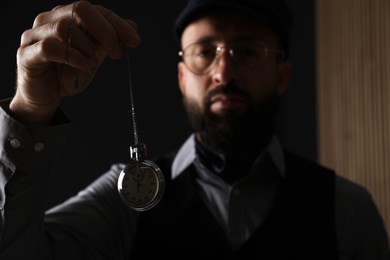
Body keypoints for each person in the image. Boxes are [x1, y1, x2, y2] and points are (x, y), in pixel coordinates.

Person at [0, 0, 389, 259]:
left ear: (282, 75)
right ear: (183, 78)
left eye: (248, 52)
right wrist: (32, 110)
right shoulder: (122, 204)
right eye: (205, 51)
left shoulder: (347, 209)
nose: (223, 72)